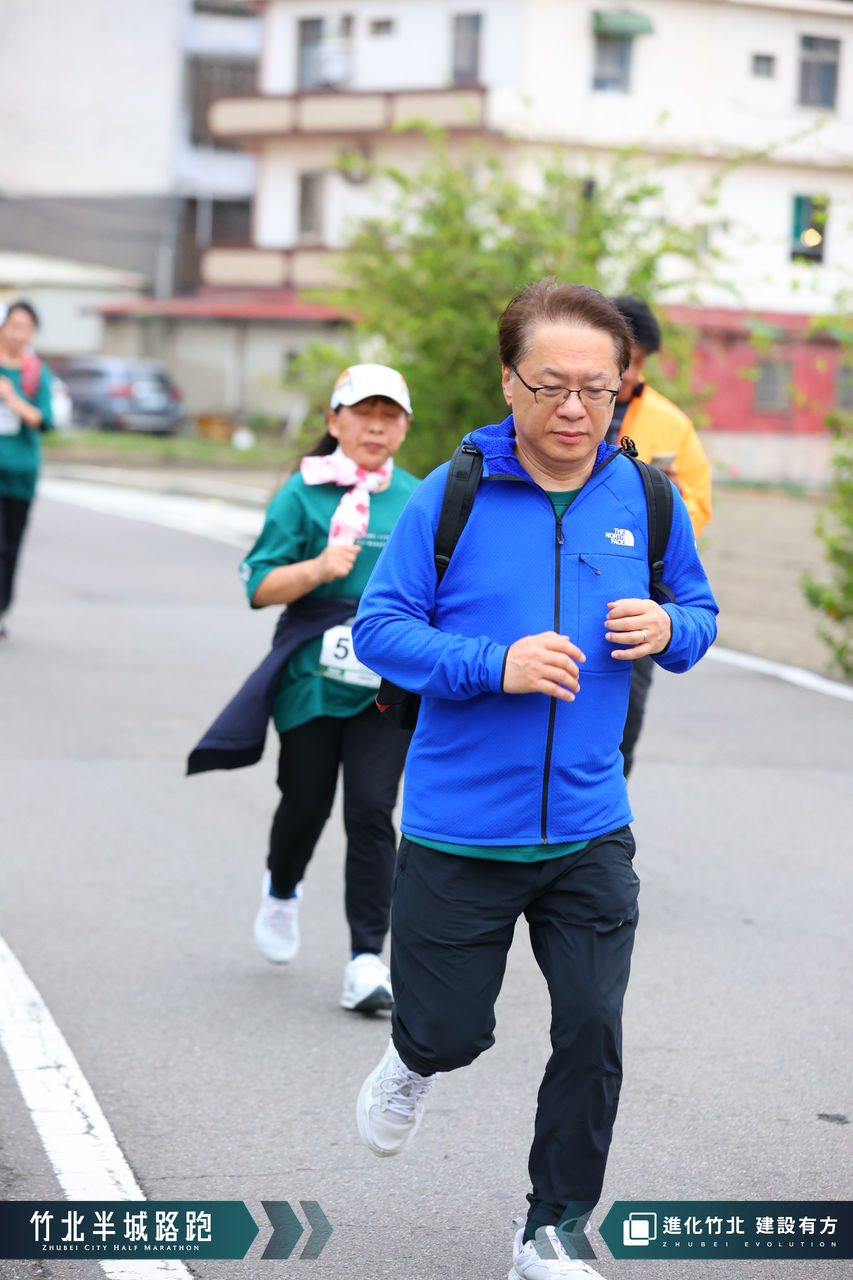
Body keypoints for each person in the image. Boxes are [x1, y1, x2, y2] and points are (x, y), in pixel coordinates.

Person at [351, 281, 718, 1279]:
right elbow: (381, 630)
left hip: (590, 827)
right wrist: (494, 662)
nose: (573, 408)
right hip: (461, 830)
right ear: (508, 381)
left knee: (592, 1029)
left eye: (596, 388)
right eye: (550, 384)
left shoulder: (645, 499)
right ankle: (414, 1060)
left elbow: (697, 612)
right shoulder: (452, 495)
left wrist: (668, 627)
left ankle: (549, 1229)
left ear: (622, 387)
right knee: (448, 1030)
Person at [238, 364, 418, 1012]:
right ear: (334, 420)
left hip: (384, 682)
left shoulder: (418, 498)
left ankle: (366, 959)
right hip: (310, 678)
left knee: (371, 811)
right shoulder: (303, 492)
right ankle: (281, 891)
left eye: (389, 415)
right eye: (363, 413)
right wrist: (317, 568)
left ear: (404, 427)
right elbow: (259, 586)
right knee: (305, 804)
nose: (376, 427)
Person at [607, 296, 713, 775]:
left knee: (623, 726)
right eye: (625, 358)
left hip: (637, 592)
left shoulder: (671, 423)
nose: (632, 372)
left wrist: (661, 512)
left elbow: (699, 502)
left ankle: (608, 811)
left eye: (641, 361)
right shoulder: (563, 408)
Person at [0, 301, 54, 639]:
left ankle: (2, 609)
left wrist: (11, 397)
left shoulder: (35, 373)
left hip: (21, 475)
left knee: (9, 547)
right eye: (14, 326)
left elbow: (44, 420)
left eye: (26, 328)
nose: (19, 334)